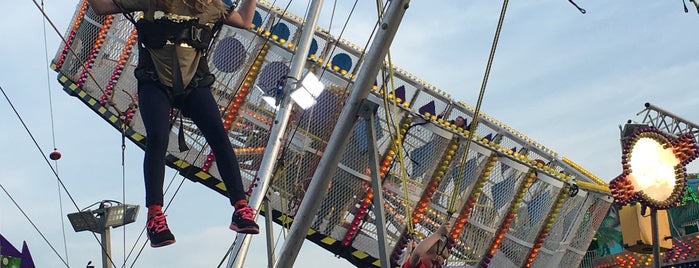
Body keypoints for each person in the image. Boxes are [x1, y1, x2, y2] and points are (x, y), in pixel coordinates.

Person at [86, 0, 259, 247]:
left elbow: (244, 21)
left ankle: (240, 208)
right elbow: (101, 7)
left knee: (219, 136)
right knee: (158, 137)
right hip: (155, 82)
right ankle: (155, 215)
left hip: (193, 84)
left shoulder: (209, 6)